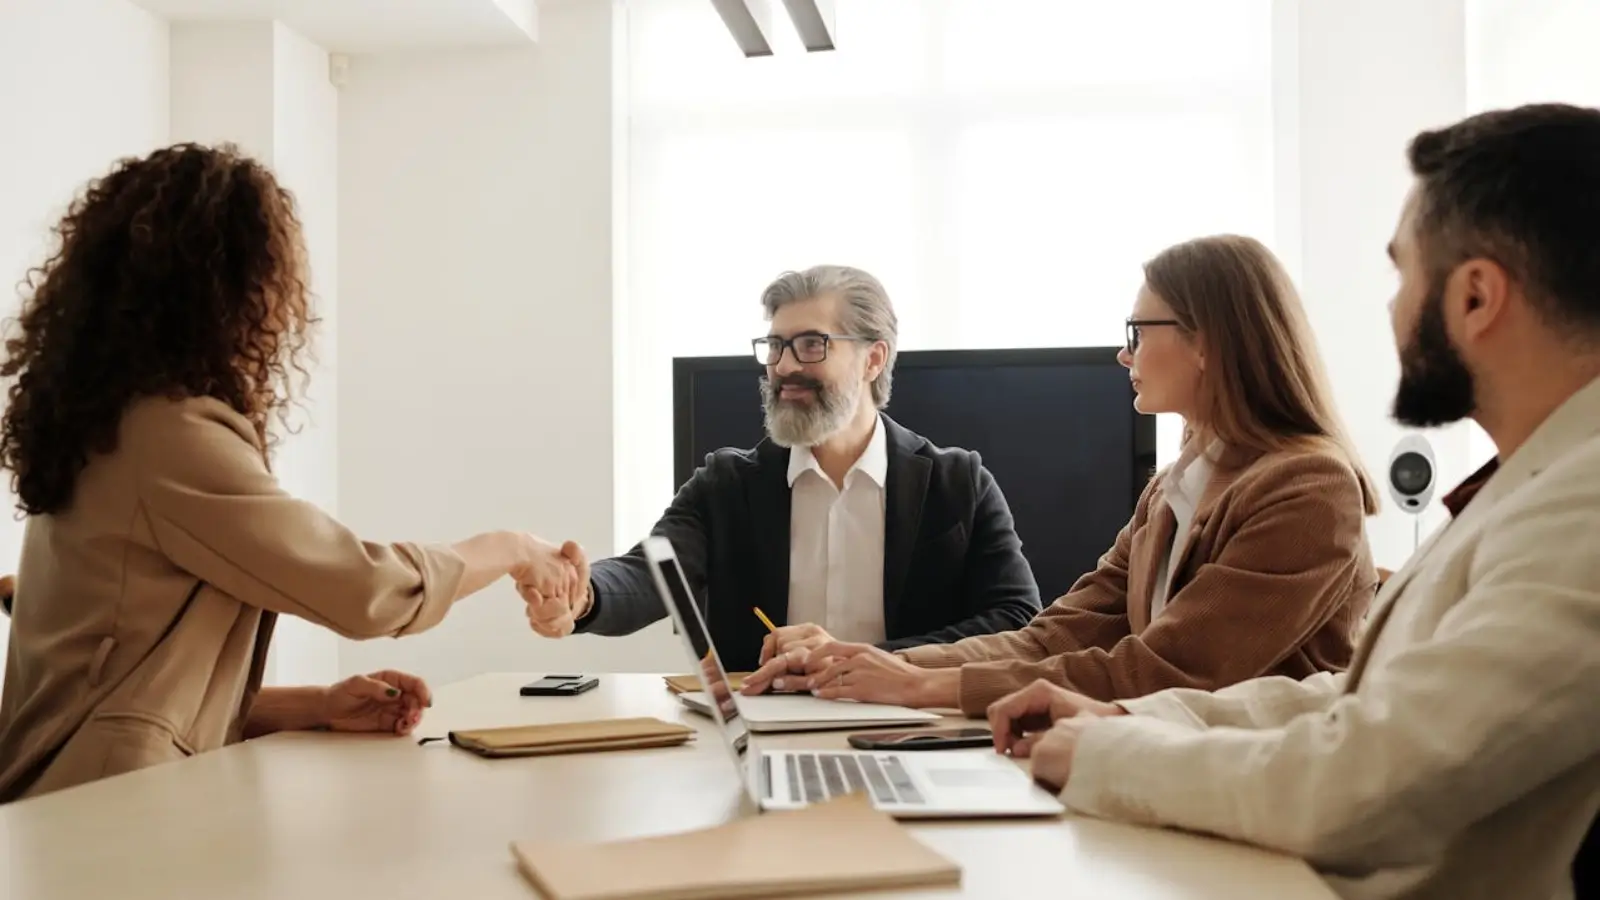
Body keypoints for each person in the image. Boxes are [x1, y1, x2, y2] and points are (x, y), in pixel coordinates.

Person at [988, 103, 1600, 900]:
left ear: (1477, 297)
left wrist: (1111, 756)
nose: (1391, 309)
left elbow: (1369, 781)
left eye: (1402, 275)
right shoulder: (1534, 483)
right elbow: (1355, 701)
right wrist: (1135, 722)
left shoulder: (1581, 507)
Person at [0, 143, 584, 803]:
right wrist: (511, 548)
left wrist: (315, 705)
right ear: (231, 286)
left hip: (75, 801)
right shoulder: (167, 436)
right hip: (103, 812)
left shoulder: (106, 426)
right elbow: (364, 588)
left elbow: (122, 688)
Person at [744, 235, 1380, 716]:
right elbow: (1052, 637)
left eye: (1138, 331)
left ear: (1207, 341)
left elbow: (1166, 670)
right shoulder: (1171, 491)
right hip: (1164, 768)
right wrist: (878, 665)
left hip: (1254, 800)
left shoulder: (1309, 489)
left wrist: (924, 686)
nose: (1124, 353)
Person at [520, 265, 1041, 672]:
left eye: (811, 344)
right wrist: (582, 595)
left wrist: (865, 660)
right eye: (775, 346)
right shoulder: (726, 485)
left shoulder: (959, 484)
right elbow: (649, 575)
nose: (784, 366)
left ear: (873, 359)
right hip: (765, 724)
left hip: (912, 723)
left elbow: (1016, 621)